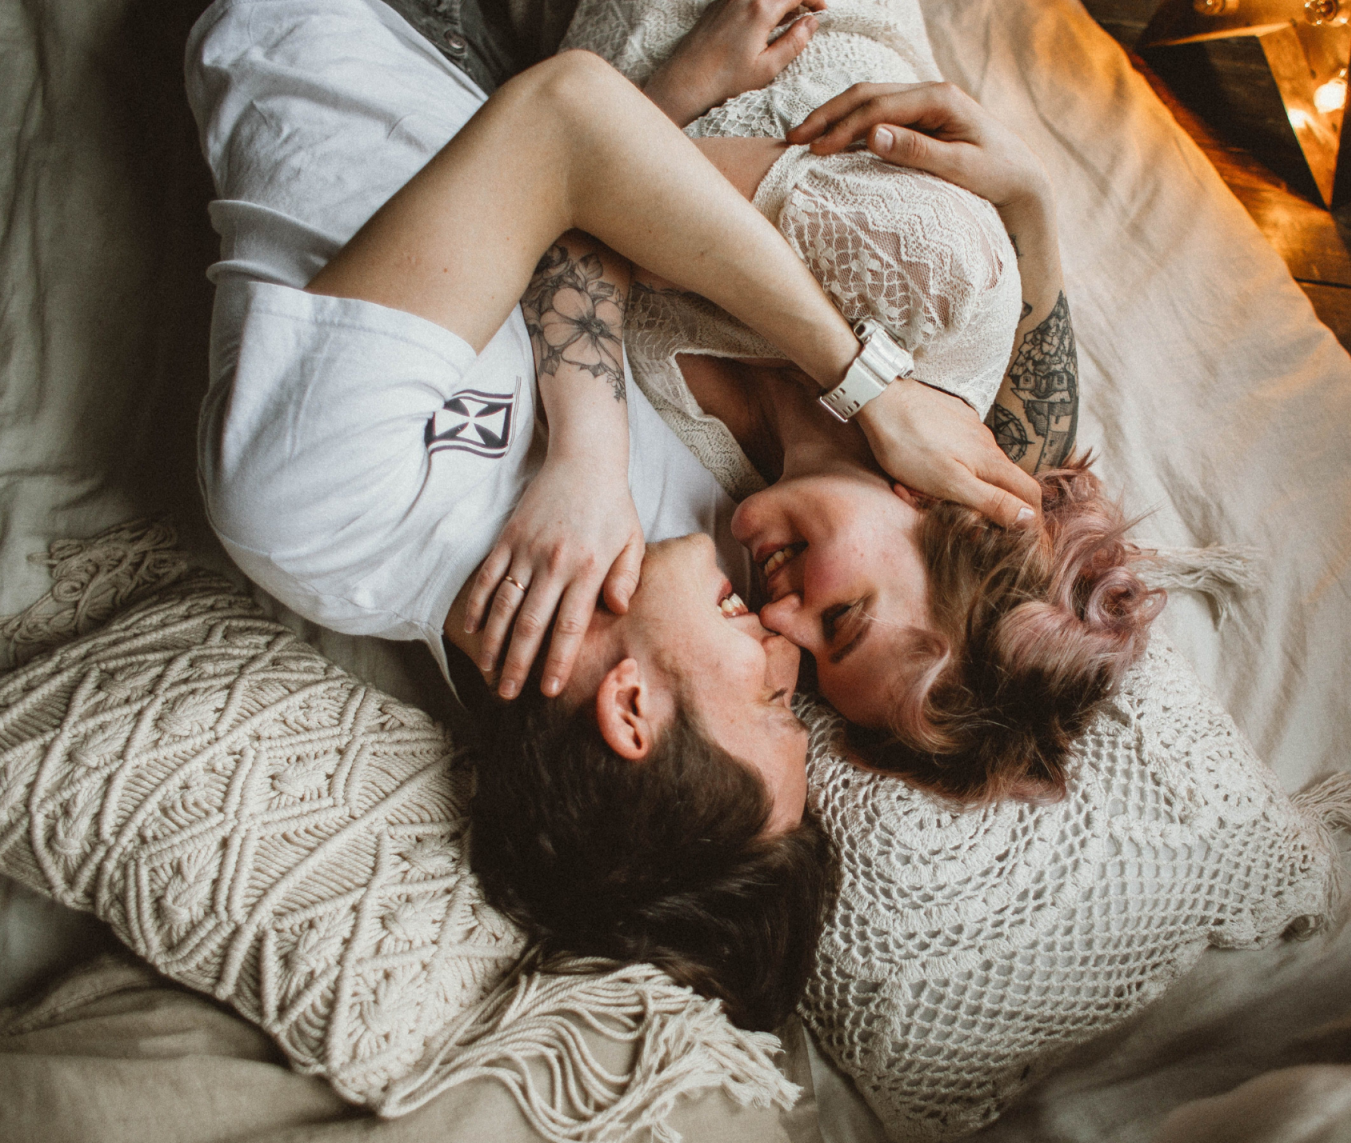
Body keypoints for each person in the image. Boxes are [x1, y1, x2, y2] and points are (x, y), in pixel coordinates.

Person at [186, 0, 1034, 1028]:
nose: (782, 645)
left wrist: (590, 452)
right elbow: (1006, 480)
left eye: (772, 702)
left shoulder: (323, 517)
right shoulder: (697, 551)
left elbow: (562, 126)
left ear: (631, 711)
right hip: (538, 51)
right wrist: (1033, 208)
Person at [475, 0, 1165, 800]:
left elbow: (559, 217)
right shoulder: (937, 278)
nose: (778, 623)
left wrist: (1034, 205)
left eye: (811, 655)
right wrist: (865, 386)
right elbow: (582, 161)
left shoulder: (734, 495)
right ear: (941, 504)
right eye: (840, 618)